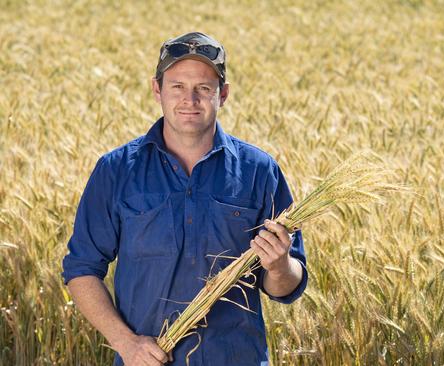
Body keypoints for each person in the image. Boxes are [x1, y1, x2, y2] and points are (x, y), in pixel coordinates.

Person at [61, 32, 308, 366]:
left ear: (224, 94)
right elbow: (81, 270)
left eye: (203, 89)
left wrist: (278, 265)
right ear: (157, 89)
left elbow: (286, 286)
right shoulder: (116, 171)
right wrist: (127, 344)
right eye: (177, 86)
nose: (189, 100)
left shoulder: (259, 171)